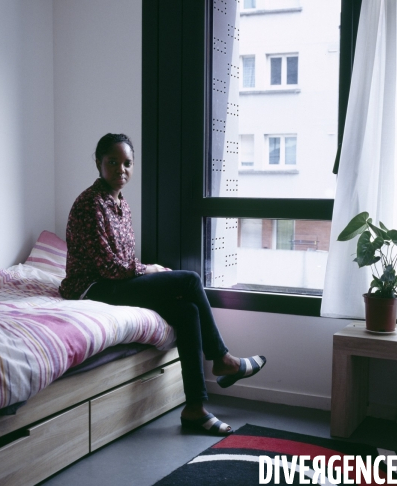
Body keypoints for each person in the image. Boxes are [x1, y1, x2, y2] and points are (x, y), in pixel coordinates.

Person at [59, 133, 266, 435]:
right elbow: (109, 267)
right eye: (112, 162)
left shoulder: (121, 204)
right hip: (92, 287)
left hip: (114, 283)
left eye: (127, 163)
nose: (121, 170)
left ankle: (195, 408)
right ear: (98, 164)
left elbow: (124, 261)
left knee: (187, 312)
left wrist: (146, 274)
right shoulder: (90, 204)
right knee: (191, 280)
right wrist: (150, 270)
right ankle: (222, 359)